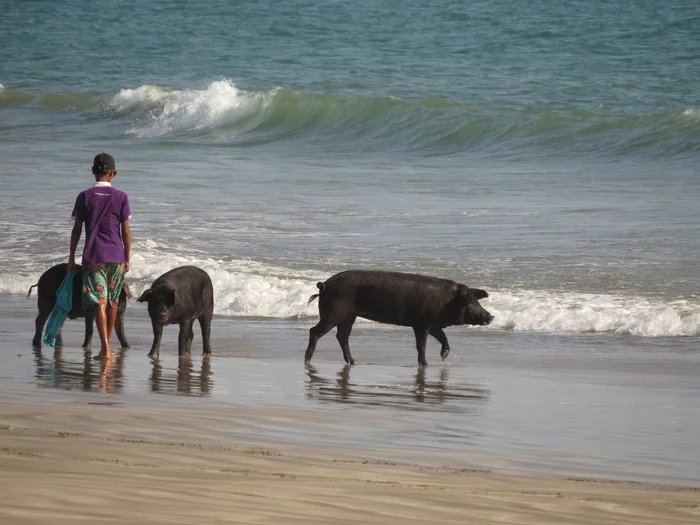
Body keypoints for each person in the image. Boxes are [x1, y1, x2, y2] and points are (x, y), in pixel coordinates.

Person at [68, 153, 132, 359]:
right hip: (116, 257)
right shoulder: (121, 197)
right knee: (113, 301)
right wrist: (127, 258)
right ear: (113, 173)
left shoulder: (84, 196)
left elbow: (76, 229)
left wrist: (71, 257)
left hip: (94, 257)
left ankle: (104, 347)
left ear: (93, 171)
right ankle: (107, 346)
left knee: (99, 301)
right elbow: (126, 232)